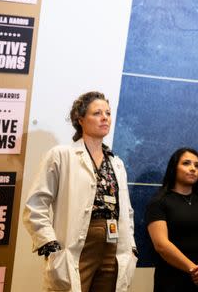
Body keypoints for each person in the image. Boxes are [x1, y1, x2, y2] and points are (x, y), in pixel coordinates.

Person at [23, 91, 137, 292]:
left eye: (108, 113)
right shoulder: (61, 155)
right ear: (80, 119)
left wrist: (132, 246)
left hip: (113, 246)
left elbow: (126, 211)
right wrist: (49, 243)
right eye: (97, 113)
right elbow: (35, 204)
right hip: (79, 245)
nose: (105, 118)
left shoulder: (116, 163)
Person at [146, 148, 198, 292]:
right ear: (174, 168)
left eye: (197, 165)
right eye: (186, 163)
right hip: (173, 280)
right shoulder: (159, 202)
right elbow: (161, 245)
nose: (193, 168)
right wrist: (196, 272)